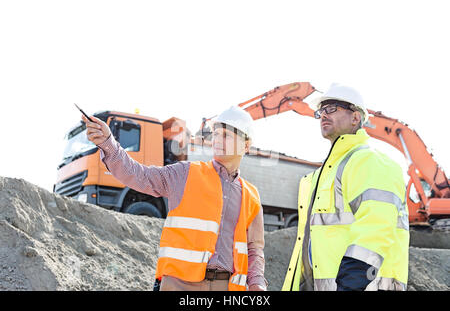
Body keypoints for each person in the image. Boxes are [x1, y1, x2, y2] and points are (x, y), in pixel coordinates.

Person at [82, 106, 267, 291]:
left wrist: (257, 282)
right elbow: (139, 175)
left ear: (246, 145)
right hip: (179, 285)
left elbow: (254, 249)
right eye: (216, 134)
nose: (218, 140)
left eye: (226, 135)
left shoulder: (251, 195)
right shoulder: (186, 173)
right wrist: (108, 143)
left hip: (226, 287)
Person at [282, 83, 409, 291]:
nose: (323, 114)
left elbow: (375, 230)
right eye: (321, 110)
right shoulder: (322, 175)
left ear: (355, 117)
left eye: (332, 108)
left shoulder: (369, 162)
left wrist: (350, 285)